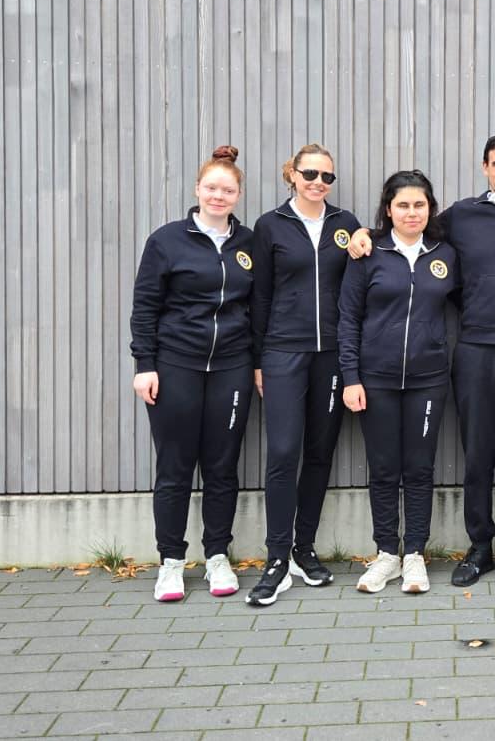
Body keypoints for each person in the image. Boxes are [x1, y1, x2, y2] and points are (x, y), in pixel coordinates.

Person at [350, 134, 495, 590]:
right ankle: (479, 547)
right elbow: (407, 235)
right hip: (474, 349)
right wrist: (362, 235)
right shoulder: (460, 217)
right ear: (484, 167)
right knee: (477, 455)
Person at [130, 146, 258, 603]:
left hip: (232, 367)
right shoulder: (167, 240)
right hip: (176, 365)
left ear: (238, 195)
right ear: (197, 190)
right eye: (211, 188)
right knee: (175, 467)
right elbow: (145, 306)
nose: (219, 196)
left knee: (222, 467)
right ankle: (170, 562)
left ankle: (218, 556)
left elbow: (258, 308)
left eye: (228, 190)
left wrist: (257, 364)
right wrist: (145, 364)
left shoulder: (248, 244)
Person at [244, 144, 363, 606]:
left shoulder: (345, 223)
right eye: (310, 173)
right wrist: (259, 359)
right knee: (283, 451)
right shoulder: (270, 225)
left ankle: (303, 548)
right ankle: (276, 558)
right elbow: (260, 296)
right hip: (282, 353)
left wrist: (366, 237)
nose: (318, 182)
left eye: (327, 177)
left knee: (318, 453)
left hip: (332, 355)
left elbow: (364, 276)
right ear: (291, 173)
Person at [337, 170, 461, 594]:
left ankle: (415, 556)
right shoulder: (367, 253)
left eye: (419, 205)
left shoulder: (446, 254)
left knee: (420, 468)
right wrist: (351, 377)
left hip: (428, 379)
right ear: (388, 209)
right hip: (377, 380)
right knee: (385, 469)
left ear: (431, 209)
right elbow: (348, 319)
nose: (412, 212)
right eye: (403, 205)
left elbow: (476, 296)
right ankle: (387, 552)